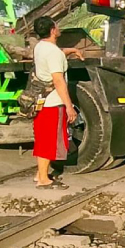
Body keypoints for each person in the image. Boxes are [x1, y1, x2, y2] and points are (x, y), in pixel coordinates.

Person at [31, 17, 83, 189]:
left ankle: (40, 174)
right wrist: (69, 107)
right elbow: (59, 81)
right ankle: (43, 179)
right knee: (49, 141)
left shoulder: (40, 47)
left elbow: (57, 52)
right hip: (53, 103)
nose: (58, 27)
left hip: (42, 102)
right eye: (57, 25)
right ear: (53, 30)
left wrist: (72, 50)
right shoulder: (53, 53)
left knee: (43, 138)